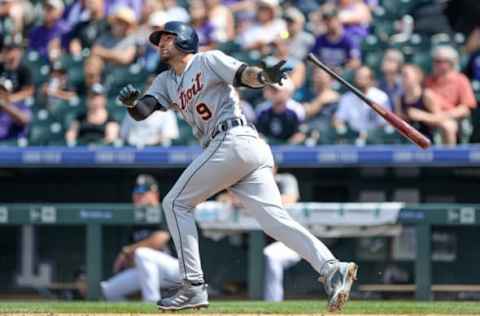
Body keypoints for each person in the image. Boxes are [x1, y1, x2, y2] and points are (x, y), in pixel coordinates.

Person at [118, 21, 357, 312]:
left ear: (184, 40)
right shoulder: (166, 81)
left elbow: (245, 75)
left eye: (167, 38)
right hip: (237, 149)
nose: (161, 44)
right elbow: (145, 110)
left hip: (234, 138)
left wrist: (265, 76)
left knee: (175, 204)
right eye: (159, 40)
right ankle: (332, 267)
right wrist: (132, 105)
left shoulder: (208, 59)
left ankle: (192, 286)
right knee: (274, 221)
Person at [101, 174, 181, 302]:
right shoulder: (135, 221)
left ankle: (151, 303)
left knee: (142, 253)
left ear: (154, 194)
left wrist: (128, 250)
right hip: (148, 271)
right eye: (136, 192)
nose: (138, 196)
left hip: (174, 269)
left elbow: (160, 239)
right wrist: (128, 257)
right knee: (107, 290)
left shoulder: (163, 210)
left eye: (143, 192)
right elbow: (132, 259)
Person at [263, 166, 301, 302]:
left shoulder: (285, 179)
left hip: (293, 241)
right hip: (263, 240)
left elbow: (290, 199)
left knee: (271, 255)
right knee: (268, 253)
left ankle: (273, 302)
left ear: (275, 169)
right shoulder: (251, 183)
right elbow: (230, 198)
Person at [425, 46, 477, 144]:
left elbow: (466, 108)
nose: (436, 64)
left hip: (454, 121)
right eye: (435, 61)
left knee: (448, 126)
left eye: (441, 61)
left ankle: (449, 158)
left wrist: (444, 116)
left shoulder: (461, 80)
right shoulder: (429, 80)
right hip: (431, 120)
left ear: (452, 62)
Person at [333, 66, 390, 141]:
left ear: (371, 80)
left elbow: (384, 124)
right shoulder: (347, 98)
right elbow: (338, 120)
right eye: (358, 77)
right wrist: (342, 129)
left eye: (364, 77)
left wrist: (367, 135)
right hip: (352, 137)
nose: (360, 80)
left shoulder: (381, 97)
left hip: (374, 138)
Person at [255, 78, 306, 144]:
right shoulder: (261, 110)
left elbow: (300, 134)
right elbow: (259, 133)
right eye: (270, 90)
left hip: (291, 148)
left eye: (275, 91)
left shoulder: (296, 110)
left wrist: (287, 146)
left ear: (287, 92)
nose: (271, 93)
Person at [310, 6, 361, 72]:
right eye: (325, 20)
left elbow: (355, 62)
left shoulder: (348, 39)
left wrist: (342, 69)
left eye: (330, 19)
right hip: (324, 74)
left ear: (338, 19)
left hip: (342, 76)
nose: (327, 23)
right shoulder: (320, 39)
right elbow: (313, 60)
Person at [0, 77, 31, 142]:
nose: (0, 93)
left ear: (10, 92)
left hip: (13, 143)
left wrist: (5, 106)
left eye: (3, 90)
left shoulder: (19, 105)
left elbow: (24, 120)